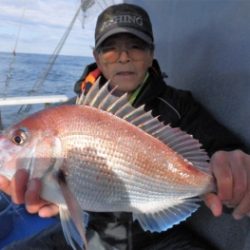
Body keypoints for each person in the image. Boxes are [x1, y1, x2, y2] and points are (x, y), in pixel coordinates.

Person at [0, 3, 250, 250]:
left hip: (160, 239)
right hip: (97, 232)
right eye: (110, 48)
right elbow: (67, 198)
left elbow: (224, 149)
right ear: (97, 57)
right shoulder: (71, 112)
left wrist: (233, 168)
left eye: (136, 46)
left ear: (151, 53)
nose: (123, 56)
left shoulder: (179, 106)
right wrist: (54, 198)